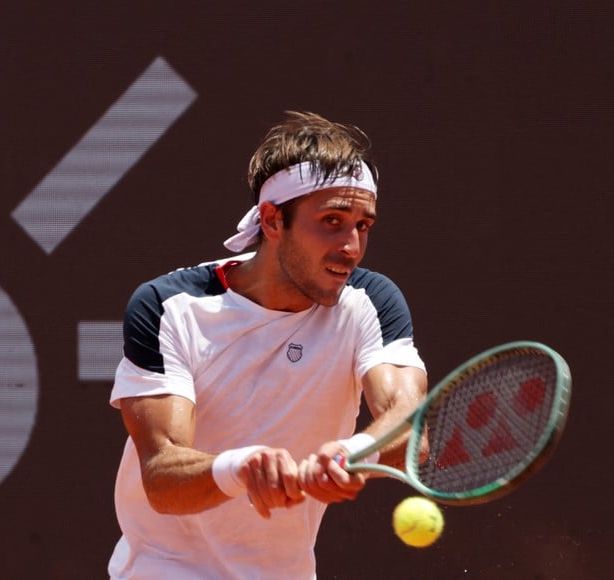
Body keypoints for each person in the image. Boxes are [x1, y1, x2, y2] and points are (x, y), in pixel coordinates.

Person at [108, 111, 428, 579]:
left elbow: (409, 423)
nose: (352, 246)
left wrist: (350, 452)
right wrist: (241, 468)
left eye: (363, 225)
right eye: (332, 221)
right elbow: (161, 475)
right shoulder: (169, 306)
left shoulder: (371, 303)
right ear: (272, 220)